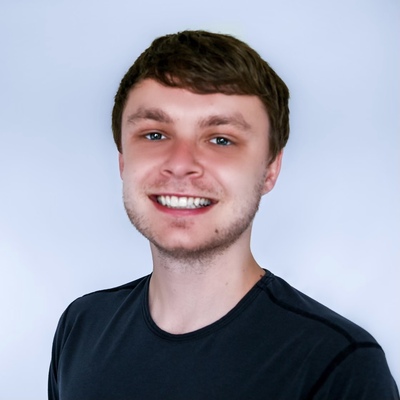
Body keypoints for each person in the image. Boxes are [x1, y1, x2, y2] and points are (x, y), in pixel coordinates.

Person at [48, 30, 399, 399]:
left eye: (221, 139)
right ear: (123, 160)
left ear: (270, 170)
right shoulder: (81, 327)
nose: (180, 164)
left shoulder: (337, 364)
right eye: (155, 135)